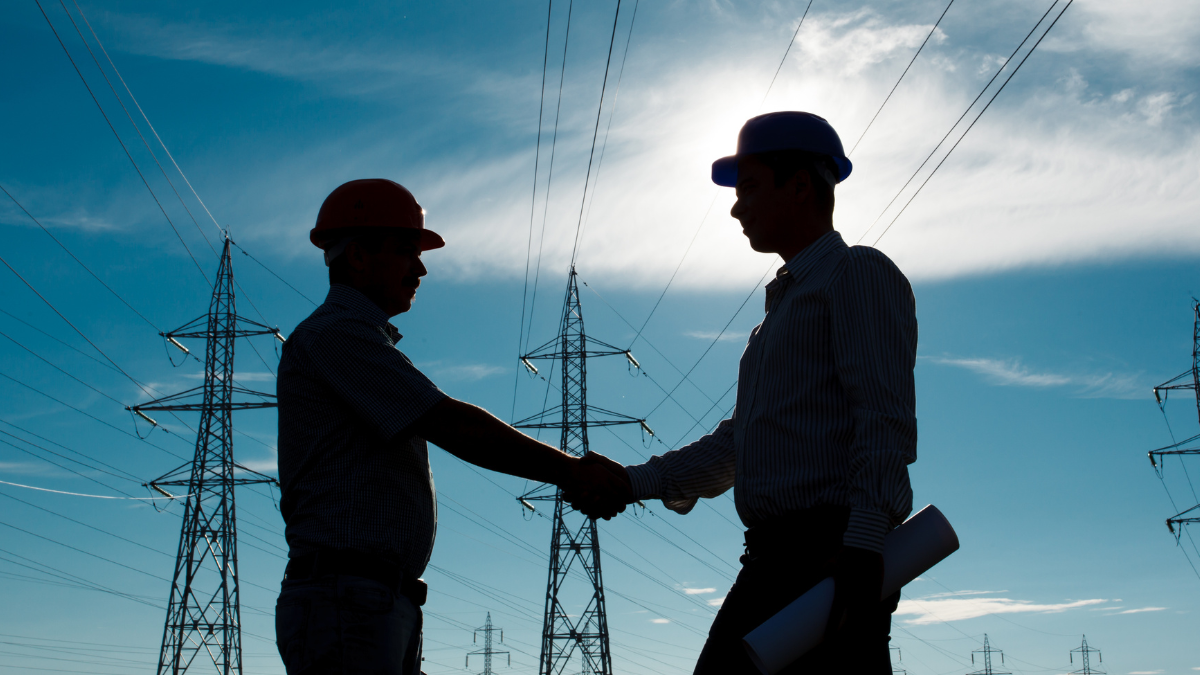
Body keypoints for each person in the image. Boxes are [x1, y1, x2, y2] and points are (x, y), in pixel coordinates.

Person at [570, 112, 919, 673]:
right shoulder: (776, 316)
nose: (736, 207)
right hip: (779, 557)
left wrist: (862, 542)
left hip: (828, 554)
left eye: (750, 187)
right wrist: (635, 482)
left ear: (801, 185)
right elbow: (742, 445)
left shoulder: (857, 274)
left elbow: (883, 414)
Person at [274, 178, 623, 675]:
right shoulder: (338, 336)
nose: (420, 269)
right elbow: (450, 424)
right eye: (406, 251)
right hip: (350, 600)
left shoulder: (358, 341)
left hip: (367, 599)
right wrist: (571, 471)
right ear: (356, 257)